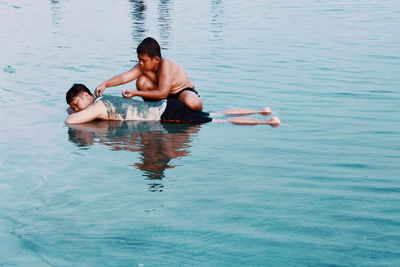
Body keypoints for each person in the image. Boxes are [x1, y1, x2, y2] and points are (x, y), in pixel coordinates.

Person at [66, 84, 281, 127]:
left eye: (77, 103)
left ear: (86, 95)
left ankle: (268, 122)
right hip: (166, 105)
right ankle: (261, 111)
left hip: (164, 114)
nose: (77, 108)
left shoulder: (100, 105)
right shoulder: (106, 99)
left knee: (217, 121)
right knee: (216, 113)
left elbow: (71, 121)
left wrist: (75, 113)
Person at [94, 37, 203, 111]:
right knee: (142, 81)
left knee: (192, 103)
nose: (140, 63)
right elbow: (125, 77)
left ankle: (187, 105)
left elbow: (163, 93)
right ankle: (155, 108)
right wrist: (105, 84)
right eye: (139, 59)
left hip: (182, 92)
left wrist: (135, 93)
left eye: (144, 60)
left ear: (156, 59)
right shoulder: (143, 66)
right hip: (166, 97)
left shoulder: (166, 65)